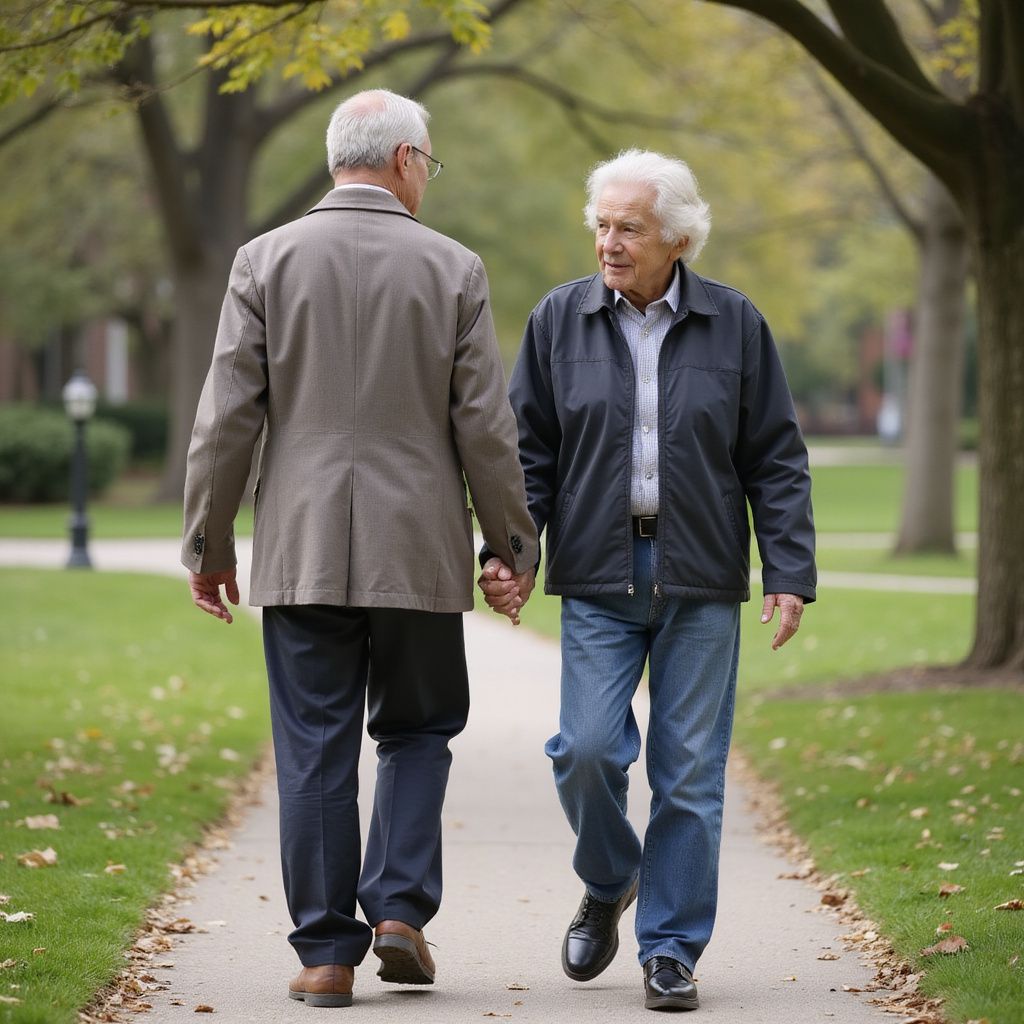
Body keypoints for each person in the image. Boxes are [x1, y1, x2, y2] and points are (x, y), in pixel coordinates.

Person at [182, 89, 538, 1009]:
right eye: (431, 164)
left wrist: (208, 544)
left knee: (312, 748)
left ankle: (326, 956)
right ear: (407, 160)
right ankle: (401, 914)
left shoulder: (262, 260)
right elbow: (486, 430)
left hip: (300, 547)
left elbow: (227, 418)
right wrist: (510, 545)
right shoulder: (454, 267)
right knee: (418, 730)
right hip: (416, 550)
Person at [479, 149, 815, 1012]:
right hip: (599, 569)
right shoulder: (559, 321)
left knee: (689, 773)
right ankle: (612, 876)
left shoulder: (736, 325)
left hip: (699, 573)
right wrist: (512, 555)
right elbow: (529, 455)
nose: (610, 243)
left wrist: (788, 570)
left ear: (677, 236)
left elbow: (775, 457)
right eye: (601, 225)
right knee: (585, 751)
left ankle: (670, 950)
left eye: (629, 227)